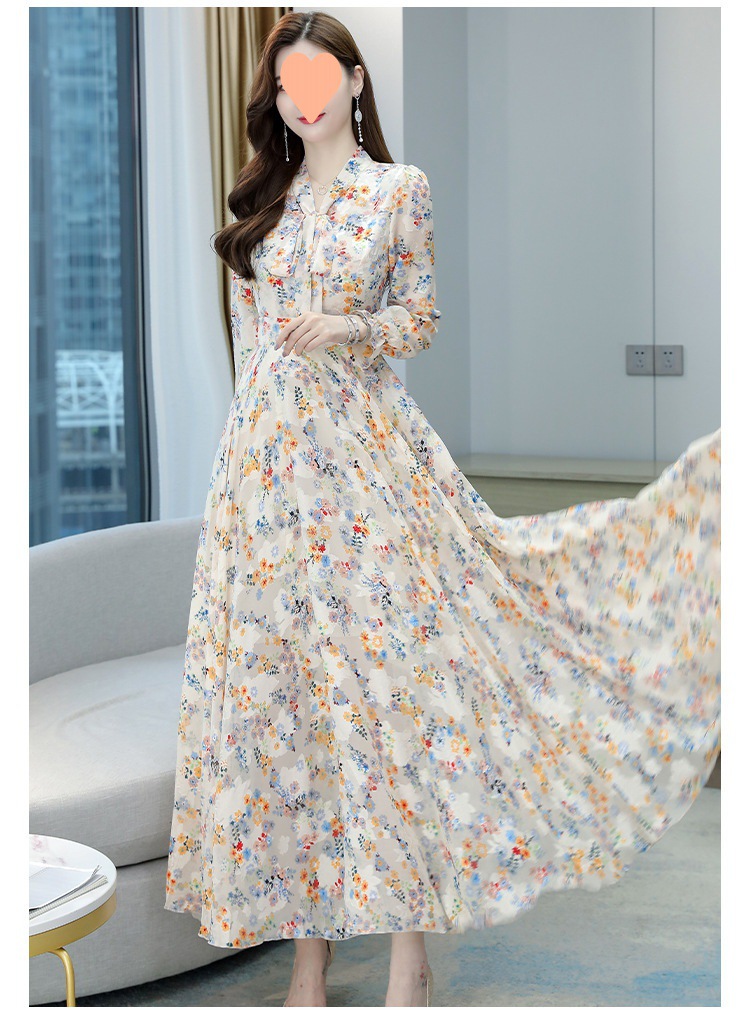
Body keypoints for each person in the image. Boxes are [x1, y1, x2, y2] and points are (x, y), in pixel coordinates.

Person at [163, 10, 721, 1009]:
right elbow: (252, 355)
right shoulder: (264, 202)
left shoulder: (398, 191)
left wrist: (346, 325)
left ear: (354, 82)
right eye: (285, 83)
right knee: (287, 713)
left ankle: (408, 951)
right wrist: (240, 474)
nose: (302, 98)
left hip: (368, 472)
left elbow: (419, 319)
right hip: (266, 482)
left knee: (389, 705)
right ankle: (308, 958)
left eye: (317, 76)